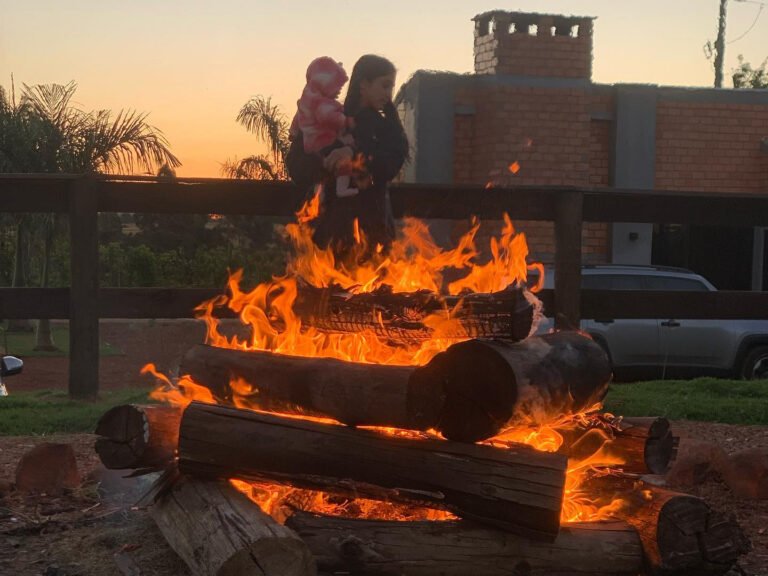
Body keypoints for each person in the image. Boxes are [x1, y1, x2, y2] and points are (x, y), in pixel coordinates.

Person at [287, 54, 409, 258]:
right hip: (330, 233)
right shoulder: (327, 118)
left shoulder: (385, 128)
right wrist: (327, 163)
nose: (389, 94)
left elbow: (390, 164)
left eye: (391, 87)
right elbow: (296, 165)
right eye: (384, 85)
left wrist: (354, 156)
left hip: (373, 233)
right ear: (364, 84)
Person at [289, 56, 358, 198]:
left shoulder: (305, 102)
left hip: (310, 146)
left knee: (322, 171)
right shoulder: (323, 103)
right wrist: (347, 121)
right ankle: (341, 187)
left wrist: (294, 133)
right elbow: (329, 117)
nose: (339, 90)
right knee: (342, 159)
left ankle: (319, 190)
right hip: (322, 142)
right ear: (324, 84)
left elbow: (295, 125)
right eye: (336, 86)